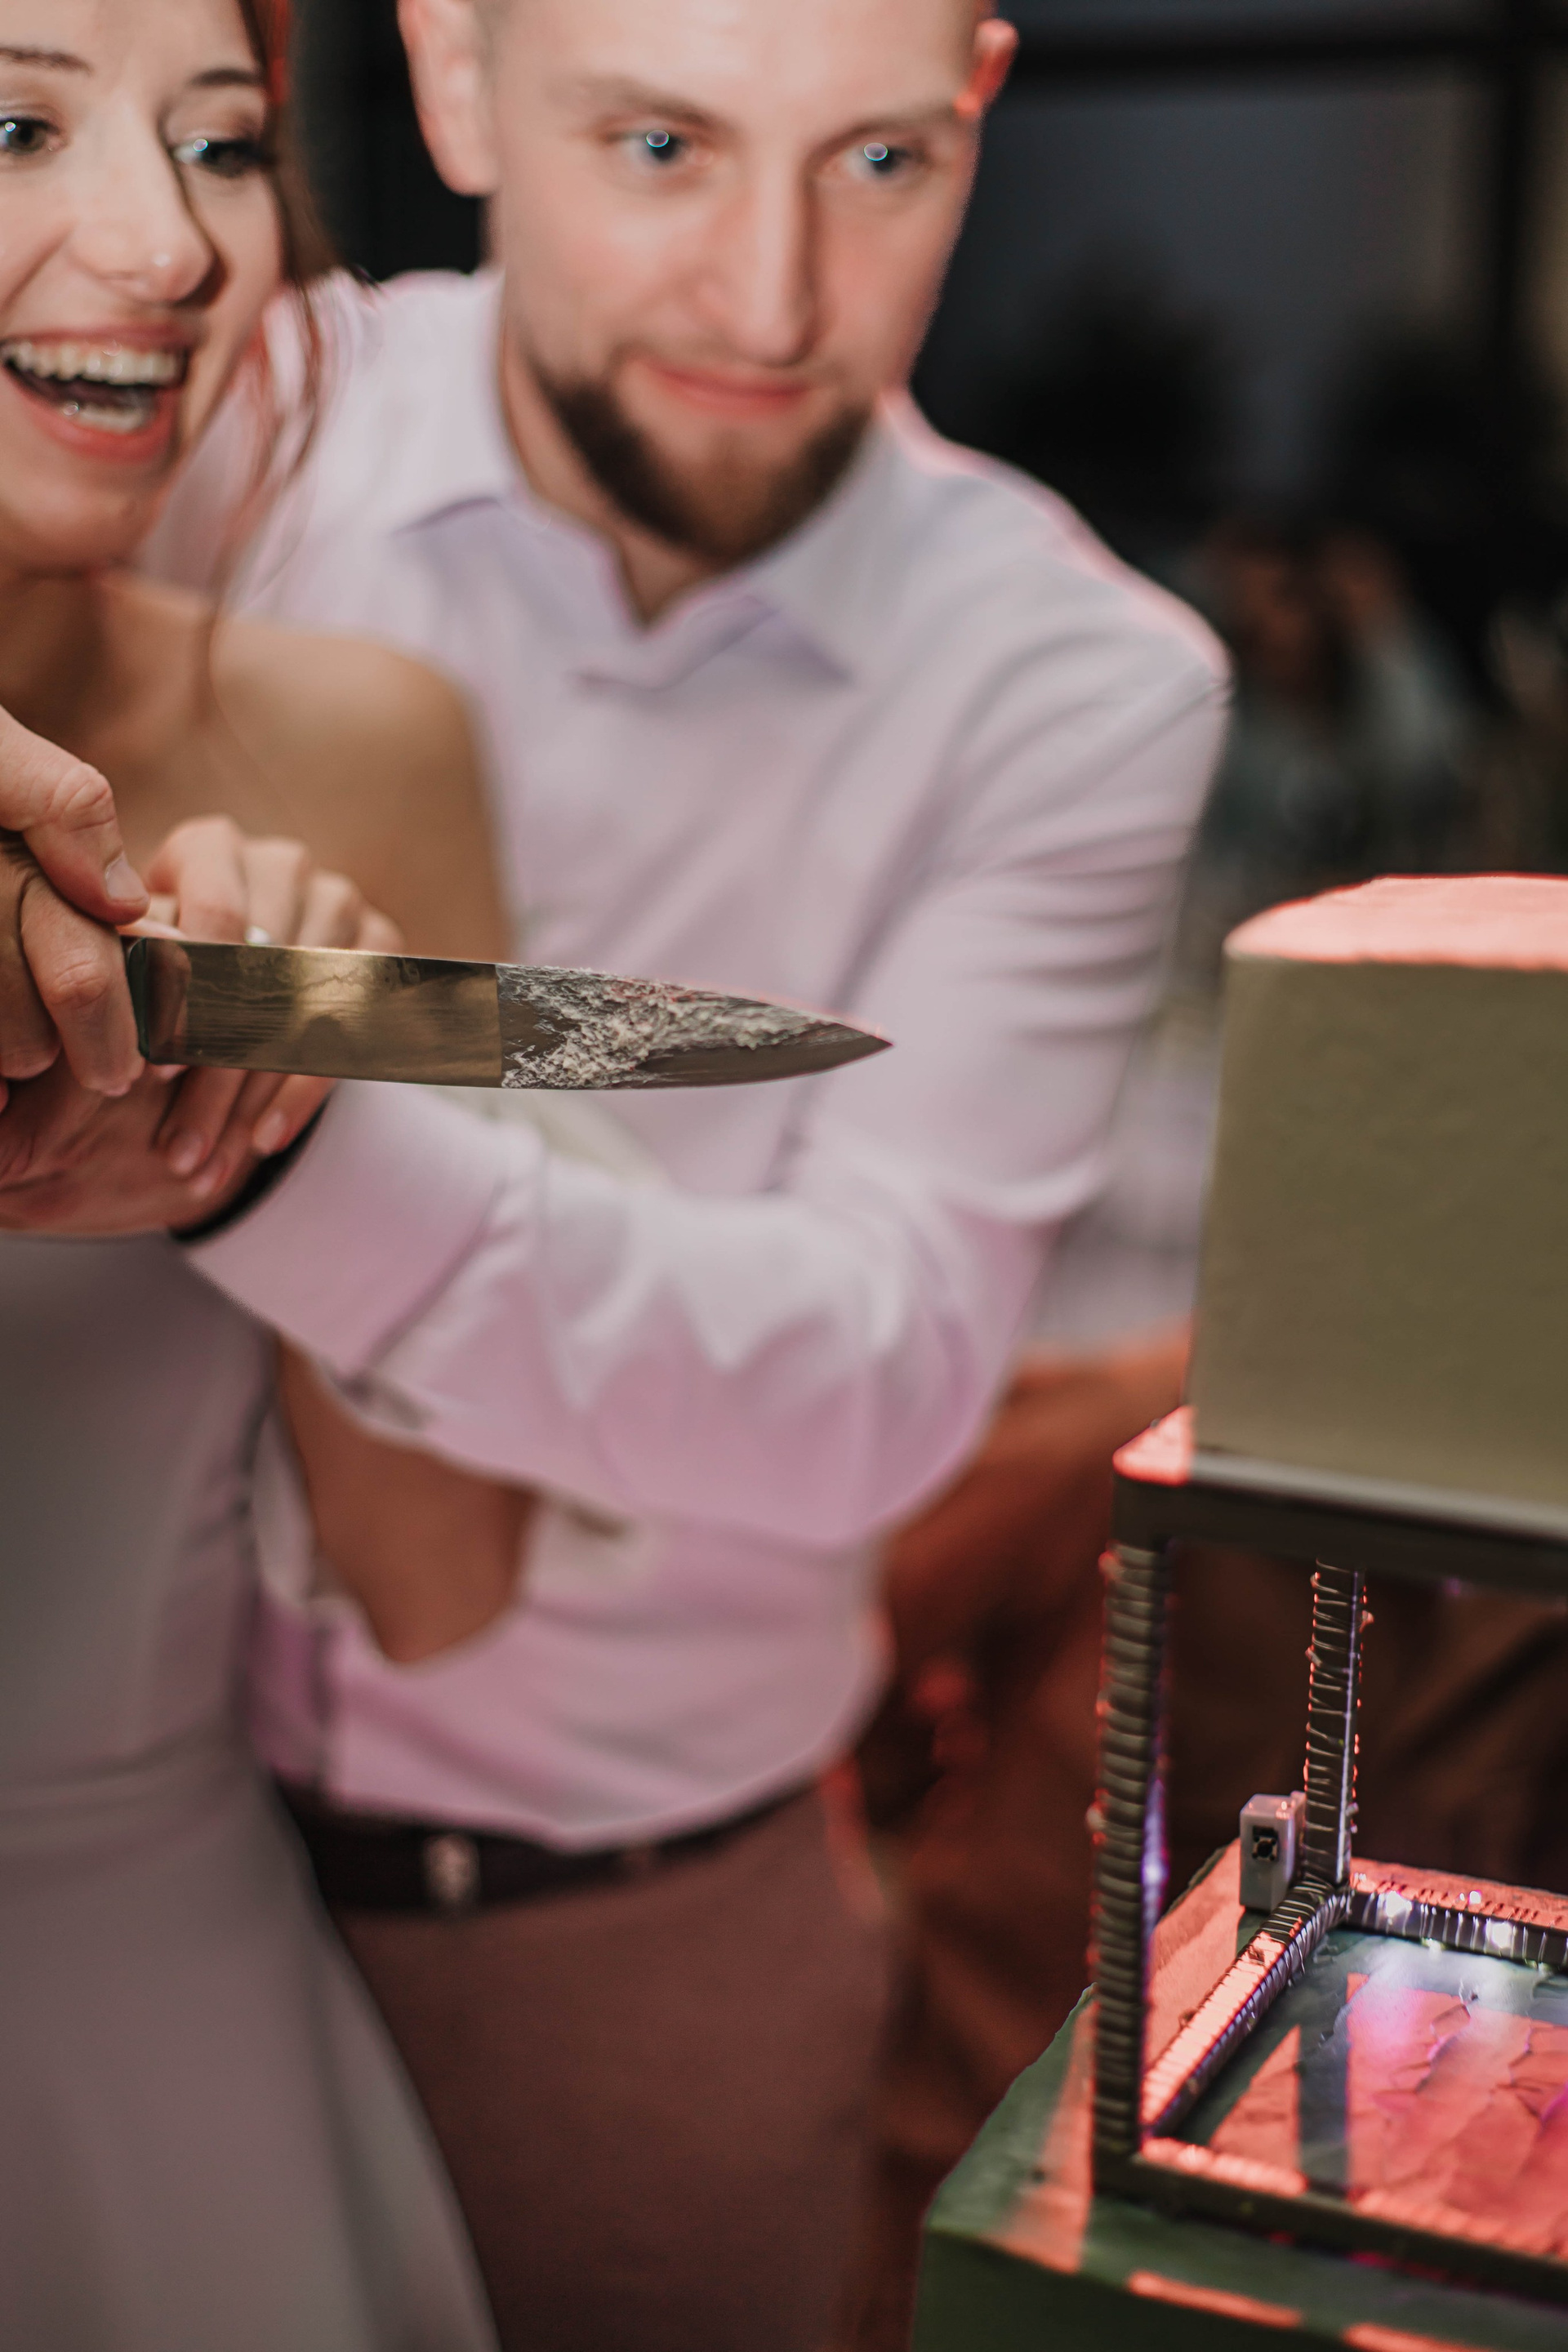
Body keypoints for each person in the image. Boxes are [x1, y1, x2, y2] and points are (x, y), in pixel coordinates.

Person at [2, 0, 1230, 2343]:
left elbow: (867, 1387)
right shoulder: (182, 370)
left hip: (604, 1913)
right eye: (660, 145)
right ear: (455, 82)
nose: (770, 297)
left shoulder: (1078, 682)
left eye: (879, 163)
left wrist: (275, 1171)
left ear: (983, 97)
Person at [0, 2, 510, 2341]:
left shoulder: (356, 749)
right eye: (16, 122)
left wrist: (282, 1157)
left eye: (221, 145)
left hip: (154, 2027)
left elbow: (444, 1585)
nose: (170, 242)